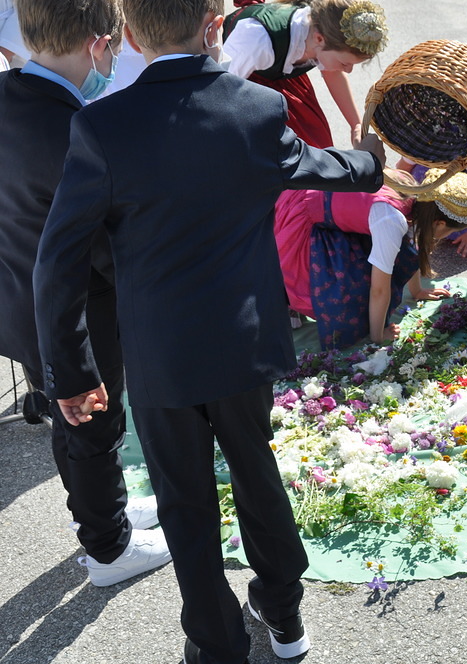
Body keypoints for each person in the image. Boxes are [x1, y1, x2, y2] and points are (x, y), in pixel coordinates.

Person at [31, 0, 387, 661]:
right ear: (214, 26)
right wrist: (370, 160)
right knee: (256, 471)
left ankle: (215, 642)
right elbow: (319, 167)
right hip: (244, 340)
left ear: (130, 35)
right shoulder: (257, 108)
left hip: (160, 352)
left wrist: (72, 372)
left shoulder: (102, 124)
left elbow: (58, 262)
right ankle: (284, 614)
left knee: (184, 503)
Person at [0, 0, 168, 588]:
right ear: (99, 44)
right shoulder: (76, 130)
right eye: (115, 47)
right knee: (93, 421)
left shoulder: (9, 94)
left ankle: (105, 508)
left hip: (19, 297)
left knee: (64, 417)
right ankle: (108, 548)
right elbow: (102, 246)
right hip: (77, 310)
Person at [274, 169, 467, 348]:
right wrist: (378, 335)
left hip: (328, 209)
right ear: (440, 223)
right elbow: (379, 290)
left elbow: (411, 245)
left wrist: (417, 291)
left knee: (389, 260)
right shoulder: (391, 220)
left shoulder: (413, 193)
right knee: (341, 303)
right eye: (450, 232)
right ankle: (287, 304)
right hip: (303, 215)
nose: (446, 236)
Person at [223, 0, 387, 149]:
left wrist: (356, 126)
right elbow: (223, 91)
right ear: (319, 39)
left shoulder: (320, 30)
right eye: (345, 63)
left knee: (318, 147)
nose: (348, 70)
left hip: (285, 76)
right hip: (247, 83)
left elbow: (333, 74)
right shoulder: (257, 40)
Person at [396, 155, 467, 258]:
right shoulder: (419, 147)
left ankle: (456, 229)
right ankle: (435, 226)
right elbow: (399, 177)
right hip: (432, 203)